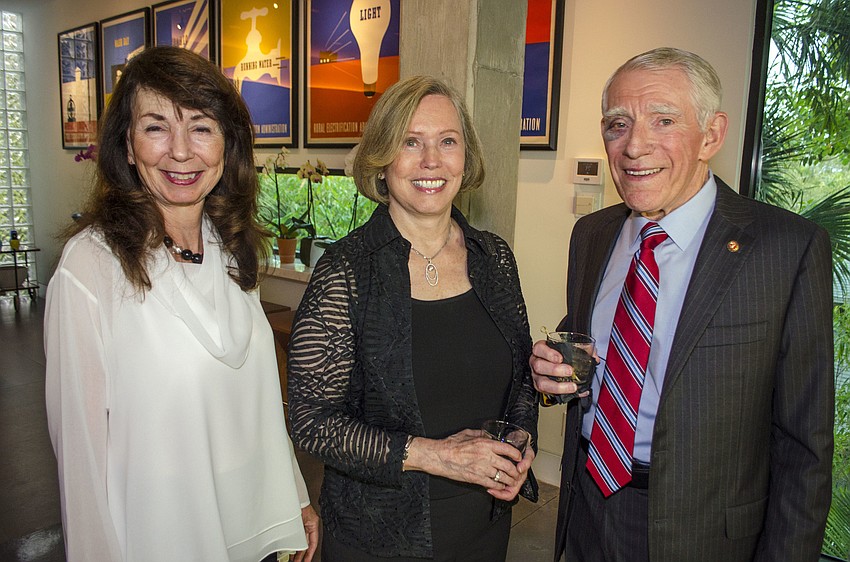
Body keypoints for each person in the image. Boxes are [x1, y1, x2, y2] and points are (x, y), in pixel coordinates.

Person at [530, 47, 834, 562]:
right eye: (617, 124)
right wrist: (552, 369)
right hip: (586, 507)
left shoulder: (786, 248)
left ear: (711, 135)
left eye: (663, 120)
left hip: (705, 534)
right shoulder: (593, 234)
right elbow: (602, 341)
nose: (634, 146)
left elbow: (805, 446)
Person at [44, 46, 318, 562]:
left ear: (226, 145)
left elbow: (253, 399)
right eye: (155, 127)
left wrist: (296, 496)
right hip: (161, 538)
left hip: (249, 530)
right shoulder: (91, 269)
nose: (180, 151)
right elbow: (80, 464)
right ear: (126, 145)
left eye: (200, 126)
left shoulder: (233, 247)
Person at [287, 75, 539, 561]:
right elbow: (312, 421)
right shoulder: (347, 270)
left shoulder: (494, 258)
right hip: (380, 535)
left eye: (447, 141)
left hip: (482, 523)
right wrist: (438, 456)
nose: (431, 161)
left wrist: (520, 444)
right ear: (382, 161)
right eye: (411, 142)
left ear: (466, 158)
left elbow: (521, 381)